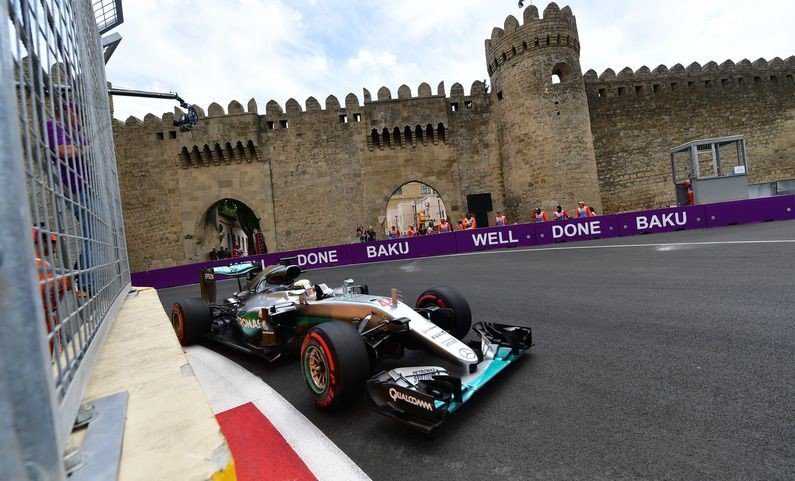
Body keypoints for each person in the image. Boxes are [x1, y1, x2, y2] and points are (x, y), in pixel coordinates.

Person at [47, 100, 93, 293]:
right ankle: (85, 282)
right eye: (77, 115)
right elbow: (61, 150)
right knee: (93, 233)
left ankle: (83, 278)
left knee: (95, 233)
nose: (80, 120)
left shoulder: (76, 134)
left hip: (86, 188)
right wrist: (86, 149)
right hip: (74, 188)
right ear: (68, 113)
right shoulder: (53, 126)